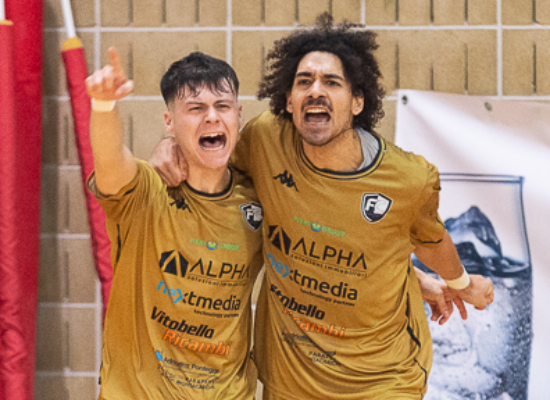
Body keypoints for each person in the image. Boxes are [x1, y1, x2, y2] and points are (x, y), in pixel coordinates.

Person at [150, 14, 494, 399]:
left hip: (384, 380)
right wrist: (170, 145)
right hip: (292, 381)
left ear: (358, 101)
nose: (315, 90)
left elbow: (431, 242)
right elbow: (212, 155)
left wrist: (463, 284)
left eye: (331, 82)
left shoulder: (408, 178)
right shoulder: (264, 141)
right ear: (289, 100)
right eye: (304, 82)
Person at [85, 49, 264, 399]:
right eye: (195, 108)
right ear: (169, 122)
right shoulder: (146, 193)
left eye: (223, 106)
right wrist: (104, 106)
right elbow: (110, 161)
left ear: (239, 116)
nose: (212, 117)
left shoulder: (259, 200)